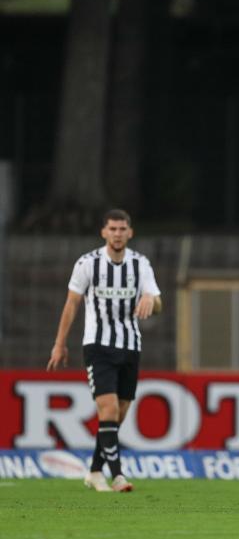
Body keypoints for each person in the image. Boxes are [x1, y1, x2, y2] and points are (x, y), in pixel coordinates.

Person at [47, 209, 162, 492]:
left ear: (130, 233)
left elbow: (158, 303)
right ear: (104, 232)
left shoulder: (141, 264)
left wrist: (151, 298)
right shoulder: (87, 263)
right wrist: (60, 343)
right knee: (108, 408)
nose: (117, 234)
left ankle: (95, 471)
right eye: (112, 229)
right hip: (98, 346)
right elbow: (72, 303)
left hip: (130, 345)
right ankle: (118, 475)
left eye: (122, 229)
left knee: (117, 415)